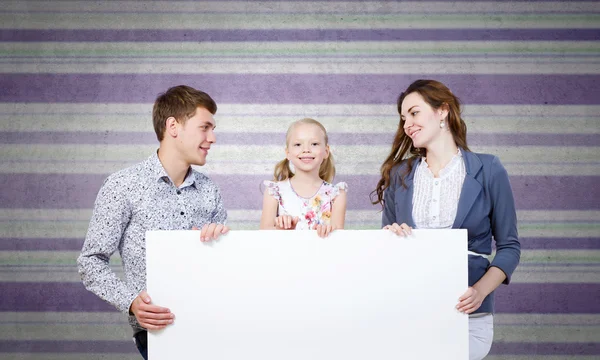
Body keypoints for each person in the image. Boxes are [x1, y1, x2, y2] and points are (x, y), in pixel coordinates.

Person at [77, 85, 229, 359]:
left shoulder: (210, 190)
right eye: (205, 127)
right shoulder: (122, 186)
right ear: (173, 126)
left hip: (214, 327)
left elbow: (226, 267)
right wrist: (131, 302)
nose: (213, 138)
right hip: (159, 332)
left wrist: (220, 243)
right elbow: (90, 261)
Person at [372, 80, 520, 360]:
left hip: (467, 316)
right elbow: (385, 251)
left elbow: (510, 247)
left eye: (414, 113)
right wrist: (391, 237)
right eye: (403, 118)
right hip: (411, 310)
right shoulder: (399, 175)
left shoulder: (488, 169)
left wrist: (479, 291)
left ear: (443, 111)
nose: (407, 124)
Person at [260, 118, 347, 237]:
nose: (306, 150)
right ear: (288, 153)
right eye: (298, 144)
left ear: (326, 151)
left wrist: (327, 231)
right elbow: (263, 236)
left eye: (314, 144)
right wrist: (280, 230)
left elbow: (339, 238)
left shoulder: (336, 194)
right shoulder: (274, 192)